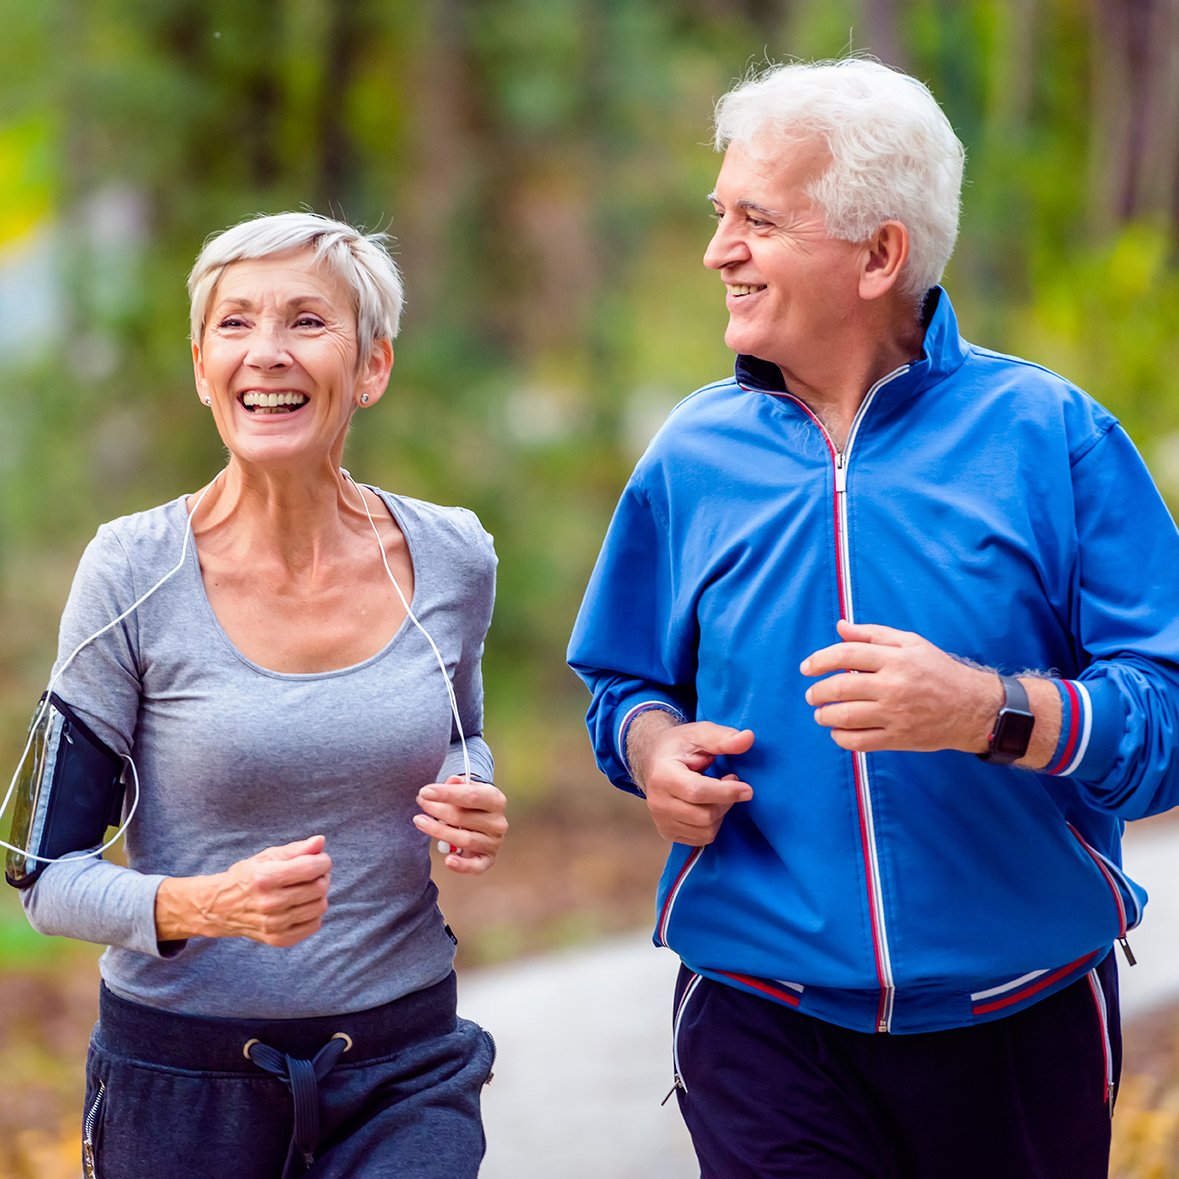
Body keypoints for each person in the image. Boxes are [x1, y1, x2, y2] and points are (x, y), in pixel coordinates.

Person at [568, 57, 1179, 1178]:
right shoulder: (689, 458)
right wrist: (654, 752)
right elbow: (622, 687)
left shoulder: (1055, 437)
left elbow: (1168, 725)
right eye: (721, 215)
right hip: (759, 1015)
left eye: (756, 219)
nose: (719, 251)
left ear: (879, 253)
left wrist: (990, 711)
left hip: (1021, 1020)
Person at [14, 211, 507, 1178]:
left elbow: (462, 731)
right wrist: (210, 903)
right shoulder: (131, 571)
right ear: (202, 367)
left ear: (371, 367)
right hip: (183, 1084)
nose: (267, 353)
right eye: (235, 324)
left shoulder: (451, 555)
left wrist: (470, 788)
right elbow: (44, 873)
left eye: (307, 322)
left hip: (404, 1065)